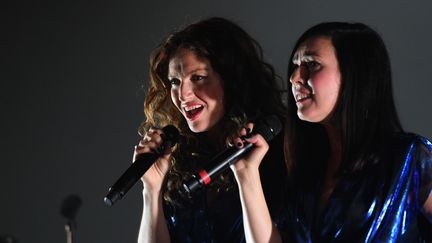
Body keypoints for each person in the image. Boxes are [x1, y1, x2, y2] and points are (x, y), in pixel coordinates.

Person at [230, 22, 432, 242]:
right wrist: (246, 173)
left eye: (312, 64)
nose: (294, 78)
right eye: (295, 66)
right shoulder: (307, 170)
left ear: (355, 75)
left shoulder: (409, 159)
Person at [134, 17, 287, 243]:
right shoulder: (180, 160)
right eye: (175, 82)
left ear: (233, 80)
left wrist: (247, 175)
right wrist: (151, 190)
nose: (183, 95)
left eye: (198, 78)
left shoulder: (279, 152)